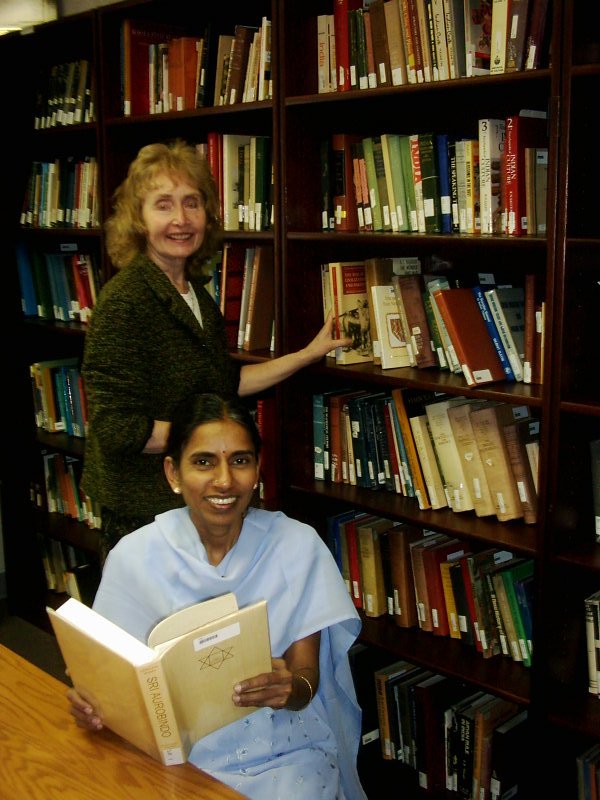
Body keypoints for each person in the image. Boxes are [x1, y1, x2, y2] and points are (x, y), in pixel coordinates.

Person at [67, 392, 367, 800]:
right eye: (203, 462)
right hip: (172, 752)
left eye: (240, 460)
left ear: (258, 469)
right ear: (173, 473)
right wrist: (92, 706)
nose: (224, 481)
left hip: (281, 748)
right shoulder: (135, 556)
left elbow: (305, 675)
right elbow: (106, 679)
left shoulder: (298, 546)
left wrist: (290, 688)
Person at [81, 139, 350, 561]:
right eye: (163, 205)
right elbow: (115, 428)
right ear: (138, 219)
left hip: (193, 499)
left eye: (192, 203)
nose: (181, 219)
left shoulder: (195, 295)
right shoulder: (125, 302)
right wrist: (211, 447)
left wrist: (307, 354)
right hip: (144, 510)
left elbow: (227, 383)